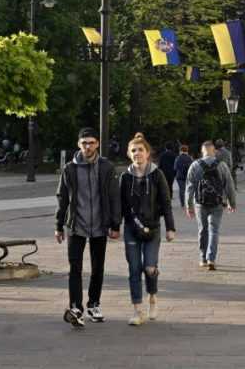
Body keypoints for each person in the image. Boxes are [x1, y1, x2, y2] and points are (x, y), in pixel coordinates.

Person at [55, 127, 120, 328]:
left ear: (98, 144)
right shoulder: (69, 169)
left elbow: (113, 197)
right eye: (84, 143)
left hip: (100, 225)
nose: (88, 146)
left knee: (97, 267)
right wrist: (59, 225)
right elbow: (62, 198)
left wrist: (115, 224)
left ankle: (94, 304)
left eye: (91, 142)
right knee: (75, 267)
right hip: (76, 224)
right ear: (78, 145)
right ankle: (75, 307)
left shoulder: (106, 167)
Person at [119, 133, 175, 326]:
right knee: (134, 269)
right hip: (131, 228)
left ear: (147, 153)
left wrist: (170, 227)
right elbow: (121, 205)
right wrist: (114, 226)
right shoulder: (125, 177)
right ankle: (137, 310)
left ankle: (152, 296)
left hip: (153, 227)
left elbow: (166, 202)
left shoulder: (157, 174)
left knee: (149, 267)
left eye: (140, 150)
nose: (137, 153)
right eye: (133, 150)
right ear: (129, 154)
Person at [186, 141, 237, 271]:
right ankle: (211, 258)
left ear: (202, 151)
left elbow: (189, 187)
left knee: (202, 229)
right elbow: (229, 185)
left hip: (200, 203)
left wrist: (188, 205)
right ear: (214, 151)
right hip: (217, 202)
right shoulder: (222, 165)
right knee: (214, 230)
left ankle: (203, 258)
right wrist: (232, 202)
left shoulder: (195, 165)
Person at [172, 145, 194, 209]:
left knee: (181, 190)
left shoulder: (178, 158)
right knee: (189, 189)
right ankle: (189, 203)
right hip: (188, 176)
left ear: (181, 151)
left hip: (180, 176)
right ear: (187, 150)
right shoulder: (190, 158)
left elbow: (175, 168)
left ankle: (182, 204)